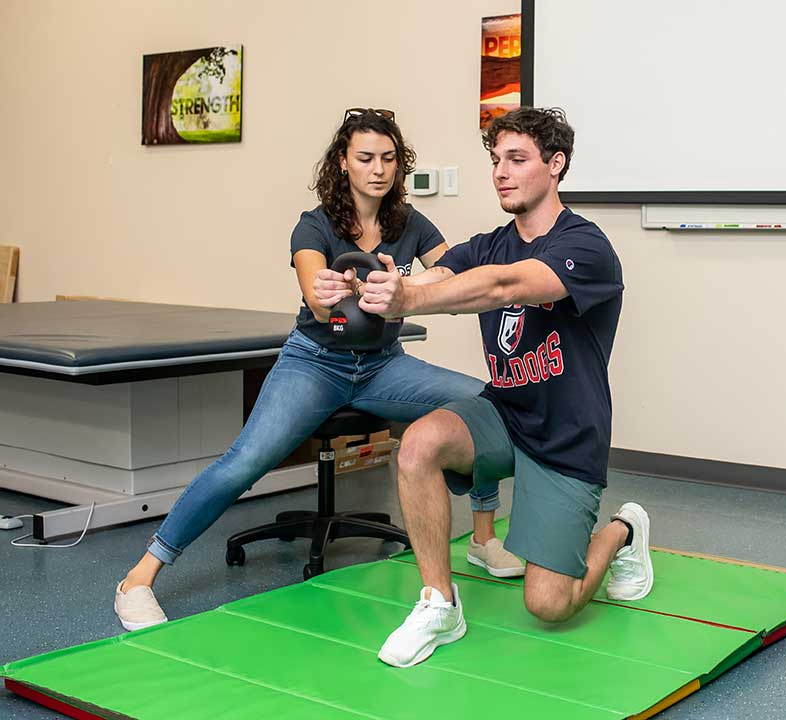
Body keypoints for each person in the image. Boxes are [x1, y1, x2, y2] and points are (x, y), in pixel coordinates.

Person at [113, 108, 524, 632]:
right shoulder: (315, 225)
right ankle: (138, 579)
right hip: (316, 363)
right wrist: (332, 292)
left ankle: (485, 538)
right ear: (343, 163)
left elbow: (450, 271)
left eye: (389, 158)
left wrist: (438, 286)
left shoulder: (410, 224)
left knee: (486, 404)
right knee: (245, 462)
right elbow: (316, 288)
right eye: (366, 158)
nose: (379, 169)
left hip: (383, 367)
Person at [357, 107, 655, 668]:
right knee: (419, 443)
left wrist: (410, 299)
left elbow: (501, 285)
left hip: (567, 437)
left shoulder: (586, 247)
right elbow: (439, 276)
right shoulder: (488, 242)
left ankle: (624, 530)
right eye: (496, 161)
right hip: (505, 414)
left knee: (549, 603)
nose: (501, 172)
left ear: (556, 164)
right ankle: (439, 604)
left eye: (517, 160)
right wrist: (370, 286)